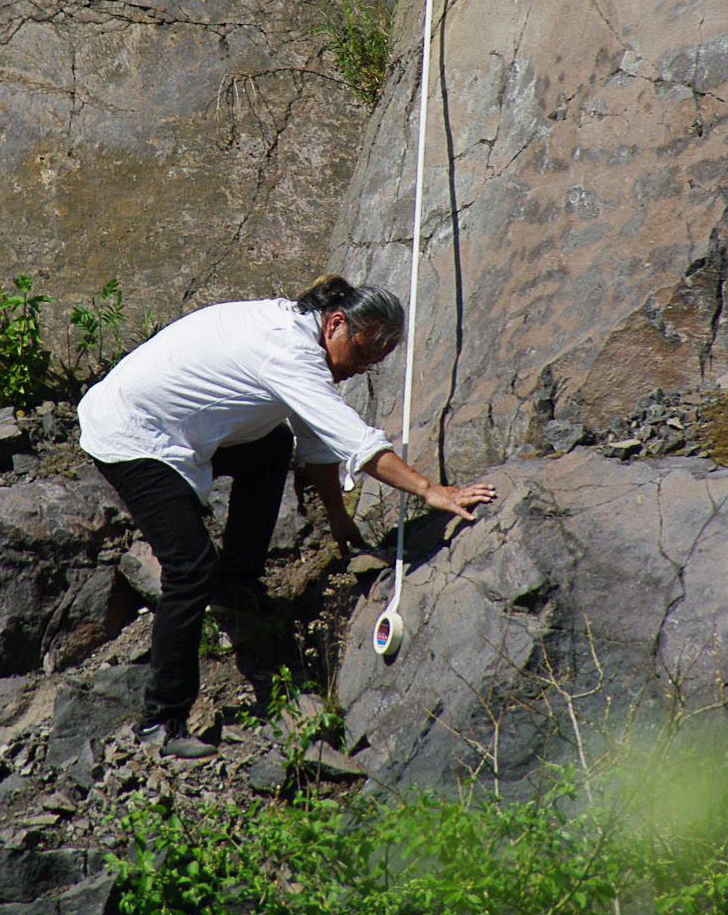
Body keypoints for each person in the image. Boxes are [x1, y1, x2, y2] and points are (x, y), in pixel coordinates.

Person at [77, 274, 497, 758]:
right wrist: (430, 490)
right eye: (361, 355)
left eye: (371, 365)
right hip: (131, 433)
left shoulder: (301, 333)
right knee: (190, 568)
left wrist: (337, 516)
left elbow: (315, 437)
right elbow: (354, 440)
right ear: (337, 323)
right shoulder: (287, 351)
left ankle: (238, 584)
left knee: (272, 445)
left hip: (179, 426)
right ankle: (161, 723)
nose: (360, 370)